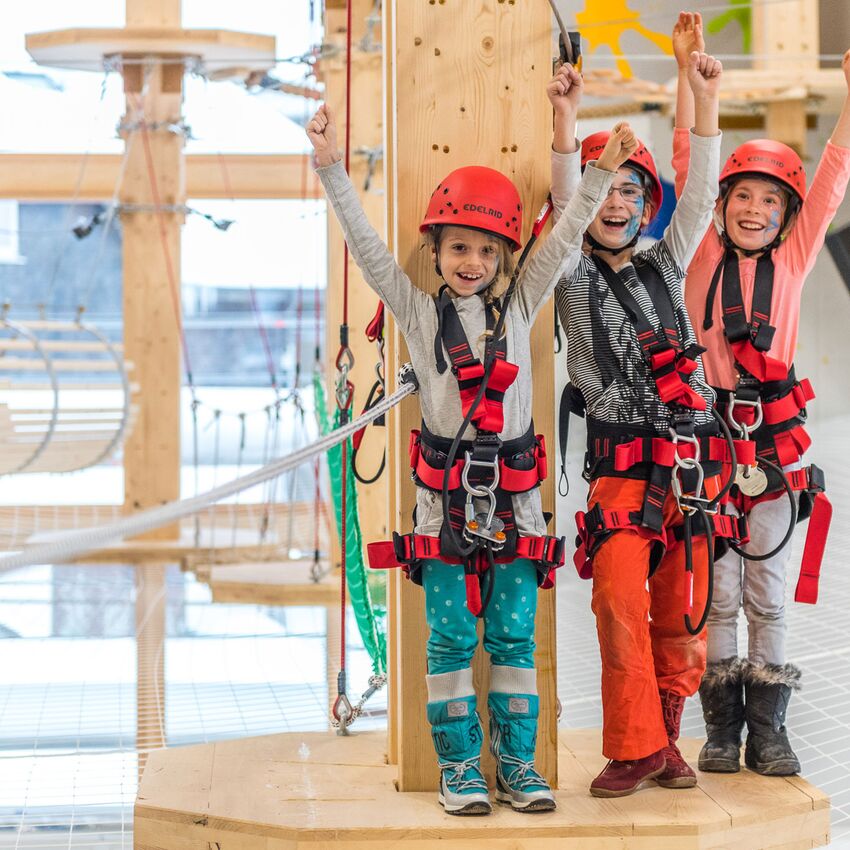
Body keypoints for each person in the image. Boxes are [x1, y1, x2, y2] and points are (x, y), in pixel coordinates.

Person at [307, 95, 637, 814]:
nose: (473, 261)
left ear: (504, 259)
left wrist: (599, 166)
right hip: (445, 508)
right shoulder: (418, 310)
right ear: (435, 251)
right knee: (452, 636)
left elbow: (565, 235)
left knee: (516, 636)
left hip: (518, 505)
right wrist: (331, 167)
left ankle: (517, 765)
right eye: (459, 247)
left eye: (488, 251)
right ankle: (460, 769)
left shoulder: (519, 308)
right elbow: (366, 246)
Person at [671, 11, 850, 776]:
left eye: (769, 203)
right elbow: (690, 162)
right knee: (716, 591)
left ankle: (769, 730)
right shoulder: (702, 245)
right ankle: (720, 729)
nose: (752, 209)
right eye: (741, 197)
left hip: (773, 446)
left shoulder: (799, 254)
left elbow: (835, 175)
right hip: (709, 440)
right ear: (722, 205)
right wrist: (690, 76)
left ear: (785, 215)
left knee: (767, 588)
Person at [549, 48, 726, 797]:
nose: (615, 203)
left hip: (690, 466)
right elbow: (566, 209)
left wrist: (702, 95)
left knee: (682, 614)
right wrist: (567, 121)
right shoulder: (568, 269)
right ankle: (631, 746)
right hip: (622, 471)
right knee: (619, 600)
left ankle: (667, 739)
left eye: (628, 188)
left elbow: (702, 196)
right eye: (604, 189)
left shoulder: (667, 257)